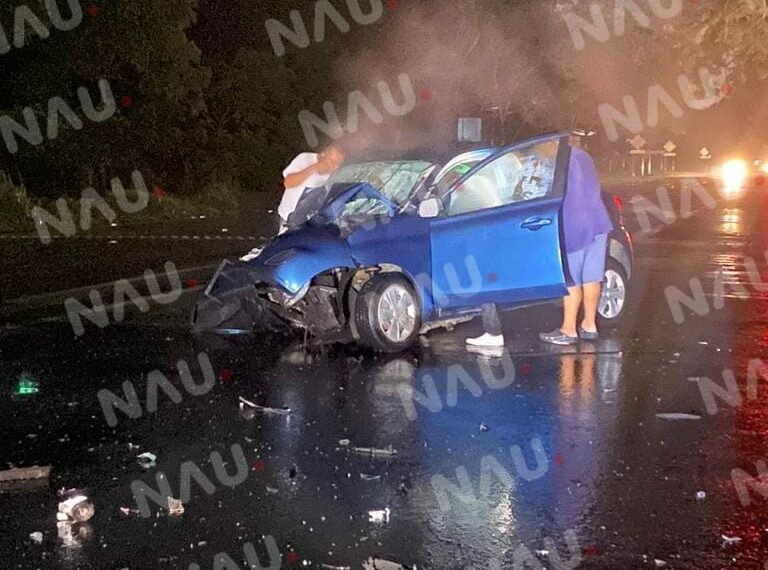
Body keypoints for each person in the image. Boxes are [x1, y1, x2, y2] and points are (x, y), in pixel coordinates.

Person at [539, 139, 613, 345]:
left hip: (575, 225)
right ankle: (590, 325)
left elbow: (559, 192)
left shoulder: (562, 161)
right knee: (592, 277)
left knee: (571, 279)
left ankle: (568, 329)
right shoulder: (583, 156)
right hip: (598, 222)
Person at [278, 145, 345, 233]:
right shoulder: (305, 158)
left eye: (337, 164)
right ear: (322, 156)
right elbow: (288, 183)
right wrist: (313, 168)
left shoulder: (334, 175)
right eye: (331, 162)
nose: (333, 167)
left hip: (306, 222)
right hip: (287, 217)